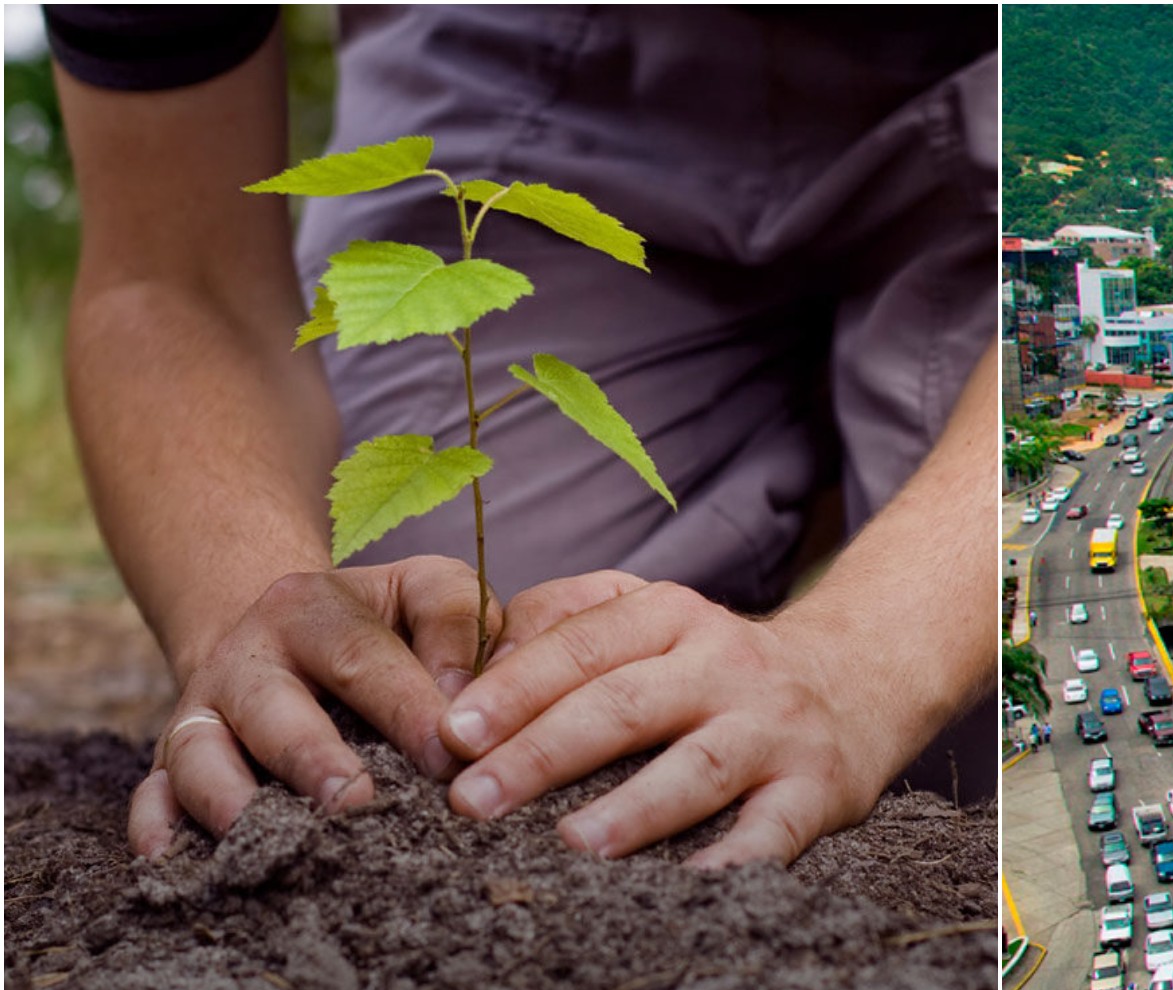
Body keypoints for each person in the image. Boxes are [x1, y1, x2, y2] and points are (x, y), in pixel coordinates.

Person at [48, 7, 997, 868]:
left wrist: (857, 661)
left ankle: (834, 444)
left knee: (960, 735)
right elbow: (170, 275)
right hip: (548, 51)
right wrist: (248, 615)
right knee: (441, 667)